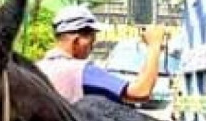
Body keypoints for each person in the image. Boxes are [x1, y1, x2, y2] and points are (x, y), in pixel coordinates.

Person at [36, 5, 168, 105]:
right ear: (76, 41)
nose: (92, 47)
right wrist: (154, 46)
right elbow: (141, 92)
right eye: (91, 41)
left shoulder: (37, 69)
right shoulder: (80, 71)